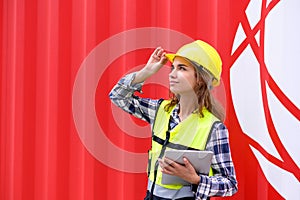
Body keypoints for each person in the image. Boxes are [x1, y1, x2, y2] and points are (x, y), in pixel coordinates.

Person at [109, 40, 238, 200]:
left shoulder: (214, 128)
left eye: (181, 68)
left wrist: (195, 179)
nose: (172, 74)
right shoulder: (160, 110)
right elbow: (117, 95)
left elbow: (230, 184)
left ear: (200, 79)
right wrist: (146, 72)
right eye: (172, 68)